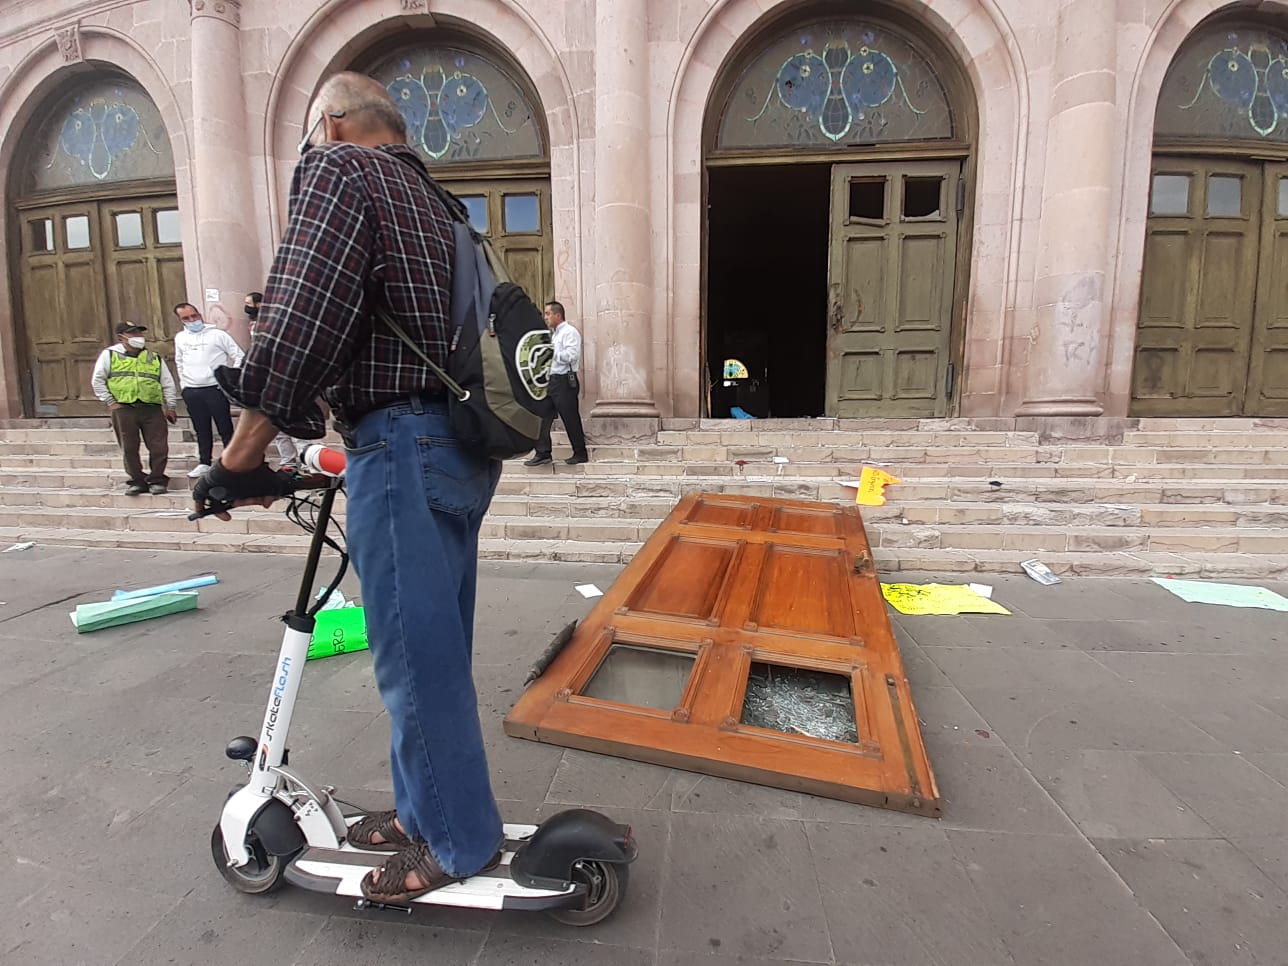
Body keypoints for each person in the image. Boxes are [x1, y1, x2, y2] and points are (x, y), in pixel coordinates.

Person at [192, 72, 504, 902]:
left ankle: (455, 841)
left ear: (331, 124)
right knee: (432, 651)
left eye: (308, 135)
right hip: (458, 449)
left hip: (399, 446)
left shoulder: (339, 169)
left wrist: (240, 456)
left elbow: (304, 320)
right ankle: (423, 810)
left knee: (414, 664)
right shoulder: (441, 205)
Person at [90, 322, 178, 495]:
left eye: (139, 333)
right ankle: (137, 480)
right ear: (121, 337)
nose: (138, 337)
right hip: (124, 407)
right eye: (133, 333)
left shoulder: (153, 357)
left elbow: (167, 382)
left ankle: (157, 479)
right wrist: (110, 402)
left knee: (159, 447)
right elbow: (98, 380)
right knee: (129, 447)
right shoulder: (110, 355)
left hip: (152, 408)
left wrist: (171, 405)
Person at [173, 301, 245, 477]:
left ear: (200, 314)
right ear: (180, 320)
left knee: (224, 427)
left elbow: (239, 355)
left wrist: (229, 379)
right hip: (192, 389)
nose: (192, 320)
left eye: (194, 316)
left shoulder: (218, 335)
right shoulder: (180, 338)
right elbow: (179, 361)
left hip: (215, 388)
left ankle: (231, 462)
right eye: (186, 318)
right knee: (201, 428)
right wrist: (184, 384)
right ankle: (204, 461)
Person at [523, 300, 588, 466]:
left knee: (570, 418)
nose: (545, 317)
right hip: (551, 381)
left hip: (564, 381)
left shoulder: (569, 332)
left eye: (548, 314)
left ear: (557, 315)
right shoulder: (554, 334)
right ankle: (543, 453)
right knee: (541, 416)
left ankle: (580, 453)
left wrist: (551, 351)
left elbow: (572, 356)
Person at [246, 290, 301, 468]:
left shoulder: (280, 324)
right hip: (267, 380)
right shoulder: (255, 325)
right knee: (276, 425)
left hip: (286, 378)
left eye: (249, 303)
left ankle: (308, 461)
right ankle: (288, 462)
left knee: (294, 423)